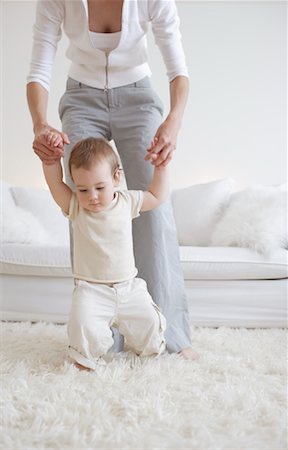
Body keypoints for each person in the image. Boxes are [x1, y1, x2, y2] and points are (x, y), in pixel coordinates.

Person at [27, 0, 198, 359]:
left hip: (138, 95)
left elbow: (177, 68)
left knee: (154, 212)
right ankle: (99, 336)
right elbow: (40, 66)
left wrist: (174, 124)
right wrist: (41, 124)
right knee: (86, 206)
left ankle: (170, 338)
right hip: (80, 97)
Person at [43, 136, 167, 370]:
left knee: (150, 322)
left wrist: (161, 167)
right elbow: (55, 184)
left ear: (116, 178)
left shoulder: (126, 201)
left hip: (128, 287)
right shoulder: (76, 207)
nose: (92, 196)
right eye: (83, 189)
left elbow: (157, 196)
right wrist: (50, 159)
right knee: (82, 325)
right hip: (92, 290)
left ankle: (149, 354)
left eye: (100, 187)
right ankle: (86, 360)